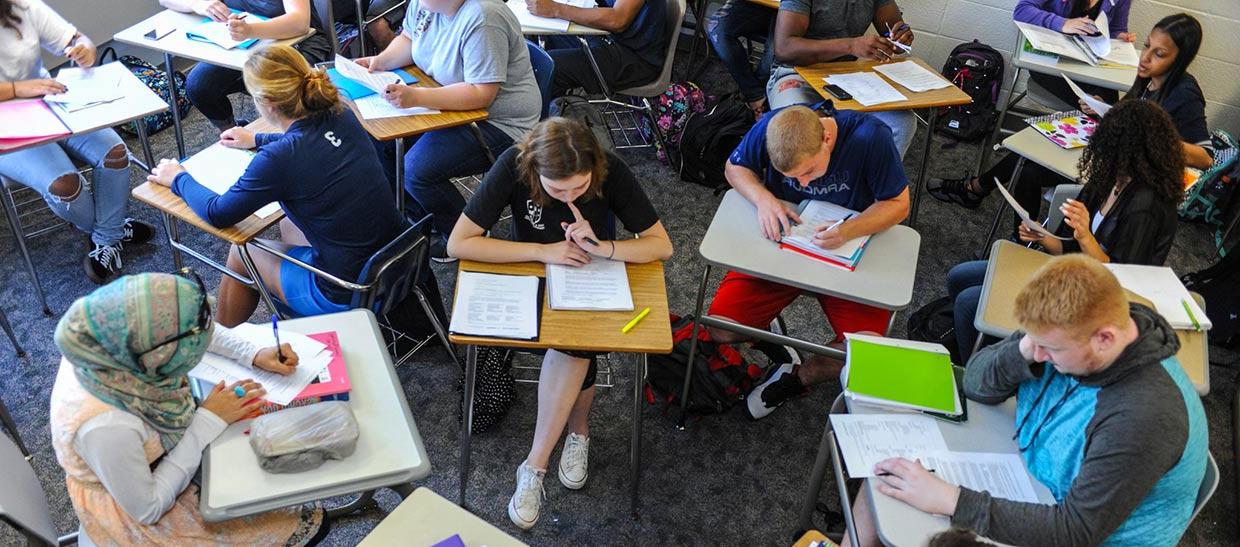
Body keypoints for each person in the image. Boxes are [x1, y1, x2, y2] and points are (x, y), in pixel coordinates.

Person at [845, 254, 1208, 547]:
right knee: (889, 471)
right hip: (1029, 468)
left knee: (927, 525)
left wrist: (952, 500)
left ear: (1105, 339)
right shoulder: (1066, 321)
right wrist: (1024, 349)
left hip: (1076, 528)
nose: (1039, 354)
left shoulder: (1144, 416)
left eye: (1049, 349)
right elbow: (977, 383)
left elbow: (1075, 532)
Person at [446, 117, 673, 530]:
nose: (569, 197)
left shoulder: (611, 168)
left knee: (577, 344)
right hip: (529, 272)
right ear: (535, 171)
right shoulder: (514, 164)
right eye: (556, 190)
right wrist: (544, 251)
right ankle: (576, 432)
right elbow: (458, 242)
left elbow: (661, 245)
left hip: (588, 273)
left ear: (593, 169)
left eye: (579, 188)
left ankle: (536, 463)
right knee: (576, 347)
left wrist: (603, 247)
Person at [49, 272, 328, 546]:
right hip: (141, 505)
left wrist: (252, 353)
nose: (201, 338)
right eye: (193, 339)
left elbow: (188, 322)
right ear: (154, 355)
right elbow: (148, 509)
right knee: (284, 501)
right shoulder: (105, 425)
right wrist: (209, 418)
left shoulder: (109, 337)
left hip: (157, 453)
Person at [147, 45, 405, 326]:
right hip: (396, 263)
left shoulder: (280, 159)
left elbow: (218, 213)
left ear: (267, 103)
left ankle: (222, 348)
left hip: (348, 292)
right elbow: (310, 144)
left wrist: (178, 179)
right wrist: (256, 140)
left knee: (241, 252)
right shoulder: (340, 112)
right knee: (289, 223)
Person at [707, 102, 909, 419]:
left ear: (827, 139)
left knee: (866, 351)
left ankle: (798, 377)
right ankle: (763, 329)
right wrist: (764, 198)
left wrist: (849, 229)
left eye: (809, 171)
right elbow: (735, 168)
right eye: (791, 177)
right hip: (787, 246)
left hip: (847, 255)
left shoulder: (871, 137)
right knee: (721, 329)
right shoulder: (773, 126)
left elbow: (898, 204)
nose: (804, 185)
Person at [945, 98, 1185, 362]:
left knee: (968, 304)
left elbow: (1120, 279)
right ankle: (990, 346)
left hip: (1101, 298)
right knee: (960, 276)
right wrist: (1042, 236)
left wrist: (1085, 237)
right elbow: (1067, 247)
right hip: (1072, 269)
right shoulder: (1109, 179)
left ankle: (981, 367)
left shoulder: (1146, 206)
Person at [931, 12, 1209, 210]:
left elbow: (1205, 158)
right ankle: (999, 209)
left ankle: (980, 193)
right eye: (1147, 46)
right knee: (1030, 151)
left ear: (1180, 59)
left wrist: (1147, 134)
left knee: (1028, 169)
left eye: (1159, 54)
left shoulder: (1185, 93)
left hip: (1130, 177)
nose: (1145, 57)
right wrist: (1106, 110)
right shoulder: (1147, 80)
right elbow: (1131, 118)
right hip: (1111, 153)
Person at [358, 0, 540, 262]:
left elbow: (481, 94)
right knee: (377, 141)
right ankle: (420, 221)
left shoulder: (484, 17)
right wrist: (379, 63)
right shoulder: (426, 4)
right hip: (447, 102)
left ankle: (462, 234)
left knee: (417, 171)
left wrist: (417, 98)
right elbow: (409, 39)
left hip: (500, 121)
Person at [0, 0, 156, 283]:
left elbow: (74, 38)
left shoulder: (22, 6)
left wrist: (84, 48)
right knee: (65, 184)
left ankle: (106, 236)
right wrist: (15, 89)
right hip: (6, 128)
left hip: (48, 101)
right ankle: (114, 229)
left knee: (115, 152)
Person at [767, 0, 917, 156]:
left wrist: (901, 37)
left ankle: (871, 179)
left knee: (901, 122)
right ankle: (805, 179)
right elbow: (785, 48)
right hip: (796, 74)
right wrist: (850, 46)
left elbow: (894, 32)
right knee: (800, 126)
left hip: (845, 77)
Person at [159, 0, 334, 130]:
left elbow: (300, 23)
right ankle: (233, 134)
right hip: (244, 49)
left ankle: (291, 141)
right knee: (199, 86)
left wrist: (250, 30)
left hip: (297, 44)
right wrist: (199, 4)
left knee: (276, 94)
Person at [527, 0, 668, 97]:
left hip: (633, 58)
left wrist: (556, 9)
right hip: (605, 38)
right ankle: (554, 109)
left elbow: (617, 20)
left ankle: (537, 133)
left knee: (544, 66)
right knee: (529, 44)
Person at [1014, 0, 1134, 105]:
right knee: (1098, 106)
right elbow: (1021, 10)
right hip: (1051, 62)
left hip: (1090, 64)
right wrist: (1062, 24)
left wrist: (1119, 37)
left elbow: (1115, 29)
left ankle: (1100, 122)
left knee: (1107, 99)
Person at [706, 0, 775, 117]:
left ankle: (756, 99)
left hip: (791, 9)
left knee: (777, 49)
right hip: (754, 5)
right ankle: (756, 96)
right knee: (717, 29)